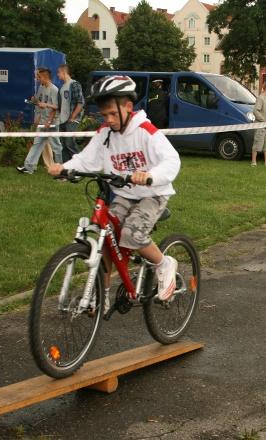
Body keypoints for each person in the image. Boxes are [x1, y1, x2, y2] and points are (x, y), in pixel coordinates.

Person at [47, 75, 180, 303]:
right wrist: (64, 168)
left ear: (128, 107)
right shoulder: (104, 134)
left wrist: (150, 175)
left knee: (132, 233)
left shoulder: (146, 131)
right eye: (104, 114)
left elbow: (172, 160)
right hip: (125, 194)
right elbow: (86, 159)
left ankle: (164, 263)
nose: (108, 119)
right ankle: (102, 295)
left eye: (112, 113)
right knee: (105, 236)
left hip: (152, 194)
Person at [17, 67, 63, 174]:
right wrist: (34, 101)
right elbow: (39, 102)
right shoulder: (41, 87)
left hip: (51, 124)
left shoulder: (54, 89)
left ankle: (61, 170)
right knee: (37, 144)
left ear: (45, 77)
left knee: (56, 147)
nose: (37, 79)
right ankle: (28, 168)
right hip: (42, 122)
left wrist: (49, 121)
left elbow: (56, 107)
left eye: (39, 77)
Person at [56, 64, 84, 162]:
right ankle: (66, 170)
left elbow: (80, 102)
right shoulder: (62, 87)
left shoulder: (74, 84)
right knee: (63, 146)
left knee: (70, 144)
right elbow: (61, 105)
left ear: (64, 72)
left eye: (58, 72)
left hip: (71, 120)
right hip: (62, 120)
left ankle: (81, 166)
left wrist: (72, 117)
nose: (58, 75)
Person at [251, 81, 266, 167]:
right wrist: (264, 120)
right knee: (257, 143)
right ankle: (253, 162)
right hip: (260, 126)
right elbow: (255, 111)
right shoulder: (260, 98)